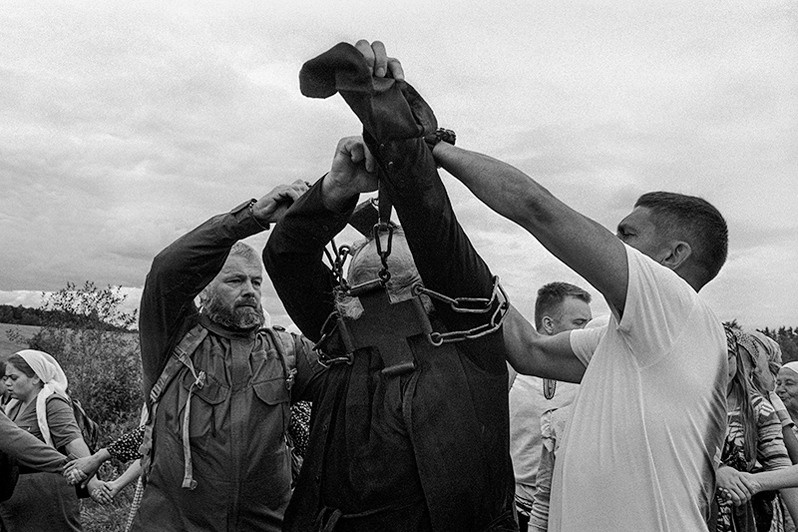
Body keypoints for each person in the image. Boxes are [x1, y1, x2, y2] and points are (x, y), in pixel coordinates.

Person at [428, 74, 729, 530]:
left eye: (627, 235)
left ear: (673, 255)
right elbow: (527, 351)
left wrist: (430, 150)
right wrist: (459, 255)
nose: (612, 243)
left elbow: (535, 207)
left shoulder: (678, 308)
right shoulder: (635, 344)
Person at [263, 41, 521, 530]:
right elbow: (286, 256)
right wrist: (336, 189)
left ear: (427, 280)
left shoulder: (467, 323)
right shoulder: (344, 334)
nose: (380, 235)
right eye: (370, 239)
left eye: (391, 233)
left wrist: (384, 111)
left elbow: (428, 212)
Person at [130, 181, 324, 531]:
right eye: (235, 280)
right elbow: (166, 271)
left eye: (256, 282)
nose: (250, 291)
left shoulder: (286, 351)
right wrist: (249, 218)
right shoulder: (174, 338)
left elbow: (350, 368)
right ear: (205, 288)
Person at [508, 282, 592, 530]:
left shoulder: (592, 373)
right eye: (579, 323)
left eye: (588, 323)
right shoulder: (511, 371)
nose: (587, 331)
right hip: (516, 508)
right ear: (548, 324)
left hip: (570, 510)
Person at [0, 350, 98, 532]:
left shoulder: (52, 403)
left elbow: (73, 442)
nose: (7, 383)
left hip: (47, 495)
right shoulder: (12, 408)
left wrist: (91, 481)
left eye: (13, 377)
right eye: (5, 378)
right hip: (18, 496)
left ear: (36, 378)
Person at [715, 327, 798, 532]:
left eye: (731, 358)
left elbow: (781, 466)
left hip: (754, 517)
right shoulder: (693, 408)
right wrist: (717, 470)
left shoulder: (759, 409)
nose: (725, 367)